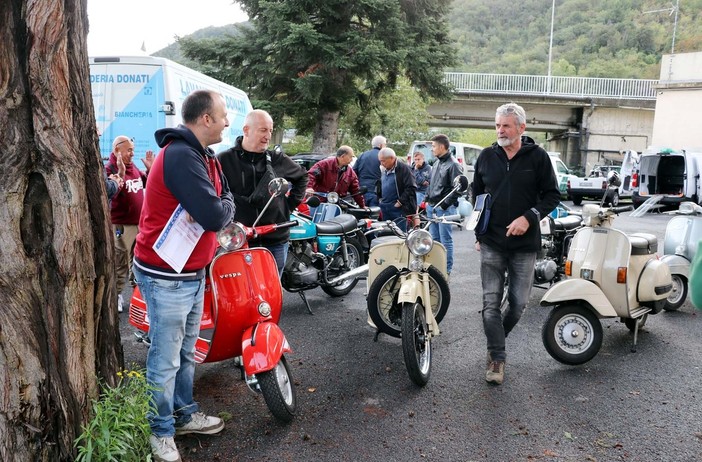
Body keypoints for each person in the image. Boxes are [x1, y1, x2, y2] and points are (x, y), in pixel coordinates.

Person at [132, 89, 235, 462]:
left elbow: (226, 199)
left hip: (191, 272)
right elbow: (215, 215)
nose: (227, 122)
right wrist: (220, 207)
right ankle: (159, 431)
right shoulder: (179, 155)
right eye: (223, 115)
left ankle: (183, 413)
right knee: (167, 357)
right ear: (205, 119)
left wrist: (220, 206)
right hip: (166, 277)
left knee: (186, 352)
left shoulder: (204, 156)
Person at [472, 102, 560, 385]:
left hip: (524, 245)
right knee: (490, 304)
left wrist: (528, 217)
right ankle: (497, 357)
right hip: (492, 243)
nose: (500, 130)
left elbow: (551, 196)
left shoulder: (538, 158)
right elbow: (478, 198)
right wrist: (477, 234)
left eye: (506, 125)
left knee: (519, 304)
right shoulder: (486, 157)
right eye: (497, 125)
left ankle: (495, 339)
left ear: (521, 128)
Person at [217, 109, 308, 275]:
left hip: (275, 240)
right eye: (263, 130)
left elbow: (302, 176)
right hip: (239, 241)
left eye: (271, 131)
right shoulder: (224, 160)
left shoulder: (277, 159)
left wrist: (289, 205)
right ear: (246, 130)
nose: (268, 136)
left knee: (271, 293)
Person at [105, 136, 153, 312]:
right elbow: (111, 193)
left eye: (133, 149)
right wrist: (120, 173)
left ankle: (137, 295)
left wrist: (150, 170)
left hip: (139, 225)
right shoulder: (110, 169)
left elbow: (146, 183)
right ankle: (117, 294)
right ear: (117, 150)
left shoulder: (134, 170)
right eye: (129, 150)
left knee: (138, 262)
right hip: (121, 225)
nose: (133, 153)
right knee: (120, 262)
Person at [424, 134, 463, 275]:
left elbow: (459, 189)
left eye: (433, 146)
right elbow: (431, 183)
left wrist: (444, 205)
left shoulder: (454, 164)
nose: (432, 149)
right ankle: (436, 269)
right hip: (432, 206)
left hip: (443, 208)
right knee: (434, 240)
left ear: (441, 146)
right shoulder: (436, 162)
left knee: (445, 240)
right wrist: (427, 199)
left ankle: (446, 270)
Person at [377, 147, 419, 231]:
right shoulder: (383, 169)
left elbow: (411, 187)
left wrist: (400, 202)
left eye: (383, 161)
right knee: (387, 234)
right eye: (380, 161)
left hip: (397, 208)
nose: (381, 163)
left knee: (400, 234)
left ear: (392, 158)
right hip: (385, 207)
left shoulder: (404, 168)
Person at [353, 135, 386, 206]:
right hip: (375, 191)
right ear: (381, 145)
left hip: (361, 190)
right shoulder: (383, 157)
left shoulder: (362, 155)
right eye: (385, 144)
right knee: (374, 215)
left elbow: (354, 172)